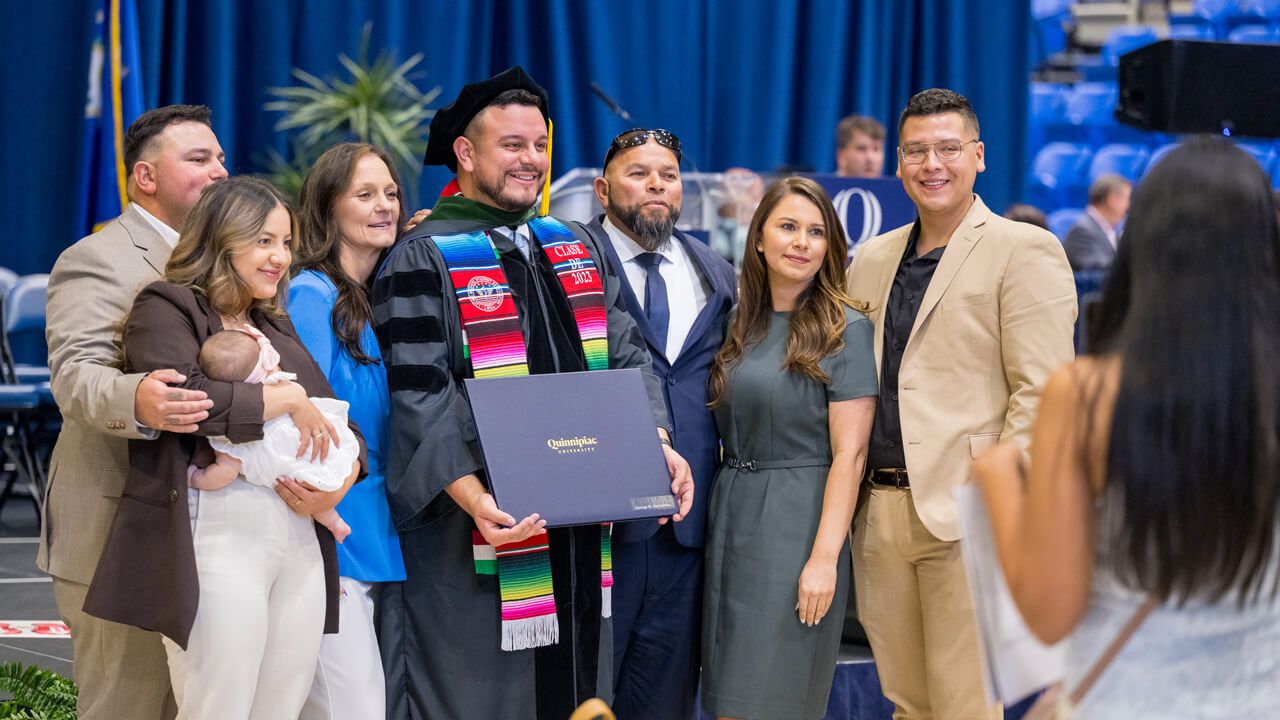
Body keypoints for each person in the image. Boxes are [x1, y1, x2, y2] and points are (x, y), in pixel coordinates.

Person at [369, 66, 693, 720]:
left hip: (576, 533)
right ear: (465, 153)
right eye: (512, 145)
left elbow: (626, 354)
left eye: (540, 145)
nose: (532, 161)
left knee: (581, 693)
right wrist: (475, 498)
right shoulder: (422, 257)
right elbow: (417, 394)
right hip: (478, 540)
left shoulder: (571, 245)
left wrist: (657, 444)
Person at [972, 137, 1280, 717]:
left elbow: (1048, 611)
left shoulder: (1086, 393)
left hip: (1125, 698)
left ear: (1143, 244)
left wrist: (997, 476)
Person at [82, 176, 365, 719]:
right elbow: (185, 401)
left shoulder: (271, 321)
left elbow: (341, 425)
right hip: (213, 528)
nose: (280, 257)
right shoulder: (166, 305)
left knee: (281, 705)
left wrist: (343, 477)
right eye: (263, 240)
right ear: (220, 237)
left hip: (300, 532)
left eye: (285, 242)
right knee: (220, 705)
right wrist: (282, 398)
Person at [844, 88, 1076, 720]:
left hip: (969, 516)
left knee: (967, 707)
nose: (931, 164)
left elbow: (1044, 394)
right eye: (916, 151)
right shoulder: (870, 258)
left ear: (979, 156)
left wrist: (999, 510)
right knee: (908, 702)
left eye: (948, 148)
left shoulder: (1024, 249)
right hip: (881, 512)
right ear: (898, 163)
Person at [39, 104, 224, 720]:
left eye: (220, 157)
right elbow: (74, 377)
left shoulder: (230, 260)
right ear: (146, 177)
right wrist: (139, 398)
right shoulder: (96, 258)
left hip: (215, 531)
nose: (220, 172)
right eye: (199, 159)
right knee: (131, 708)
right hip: (116, 531)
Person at [700, 176, 877, 720]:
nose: (802, 242)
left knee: (774, 701)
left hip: (797, 524)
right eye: (788, 227)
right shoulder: (735, 321)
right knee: (727, 700)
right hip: (730, 517)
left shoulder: (846, 327)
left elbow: (851, 456)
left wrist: (824, 559)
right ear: (758, 239)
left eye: (816, 231)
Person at [581, 128, 737, 720]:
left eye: (667, 175)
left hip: (686, 526)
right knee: (586, 695)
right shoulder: (564, 264)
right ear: (602, 189)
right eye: (638, 173)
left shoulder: (715, 271)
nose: (655, 185)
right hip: (599, 520)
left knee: (667, 702)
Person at [290, 142, 410, 720]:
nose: (384, 205)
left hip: (367, 531)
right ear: (327, 207)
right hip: (325, 533)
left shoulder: (368, 298)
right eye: (365, 195)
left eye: (390, 193)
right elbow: (305, 421)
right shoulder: (310, 295)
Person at [190, 328, 357, 542]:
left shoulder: (237, 430)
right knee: (313, 494)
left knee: (303, 488)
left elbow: (224, 474)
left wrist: (195, 478)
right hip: (319, 453)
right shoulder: (285, 384)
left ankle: (334, 522)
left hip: (289, 473)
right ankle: (335, 522)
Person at [1062, 173, 1130, 271]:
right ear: (1113, 199)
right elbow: (1100, 272)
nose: (1128, 206)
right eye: (1126, 198)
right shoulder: (1082, 232)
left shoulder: (1108, 230)